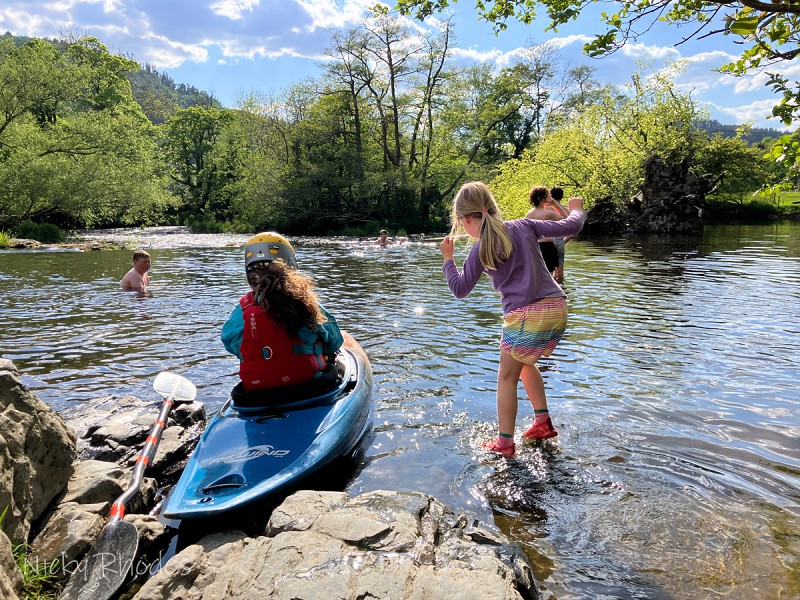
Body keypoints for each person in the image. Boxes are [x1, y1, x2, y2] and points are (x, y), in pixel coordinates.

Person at [440, 181, 586, 458]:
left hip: (525, 316)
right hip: (557, 308)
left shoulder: (480, 249)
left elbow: (459, 289)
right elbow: (573, 225)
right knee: (525, 363)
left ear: (466, 219)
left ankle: (505, 444)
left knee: (506, 378)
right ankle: (542, 422)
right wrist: (576, 209)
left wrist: (448, 260)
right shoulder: (524, 226)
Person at [221, 232, 344, 395]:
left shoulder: (242, 309)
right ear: (290, 266)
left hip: (258, 393)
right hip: (310, 386)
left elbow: (229, 341)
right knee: (337, 363)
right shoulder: (305, 301)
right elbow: (335, 340)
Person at [525, 186, 568, 279]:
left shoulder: (528, 214)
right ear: (543, 198)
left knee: (536, 276)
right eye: (548, 196)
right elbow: (566, 219)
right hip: (546, 247)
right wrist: (554, 204)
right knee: (549, 277)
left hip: (533, 247)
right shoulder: (548, 213)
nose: (550, 197)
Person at [549, 186, 571, 283]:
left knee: (548, 272)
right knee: (560, 274)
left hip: (547, 242)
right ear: (562, 197)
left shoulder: (546, 209)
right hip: (560, 241)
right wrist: (563, 241)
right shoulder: (566, 211)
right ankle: (561, 288)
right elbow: (572, 232)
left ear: (550, 195)